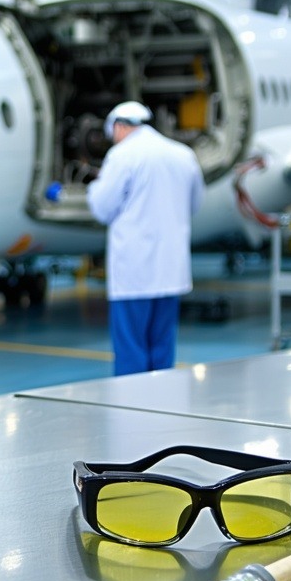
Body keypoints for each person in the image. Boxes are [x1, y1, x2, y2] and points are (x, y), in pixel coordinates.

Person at [87, 101, 204, 376]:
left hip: (134, 272)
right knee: (162, 350)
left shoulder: (122, 156)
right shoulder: (182, 154)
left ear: (119, 126)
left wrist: (92, 187)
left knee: (131, 350)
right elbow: (196, 203)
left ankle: (131, 410)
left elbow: (102, 207)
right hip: (171, 270)